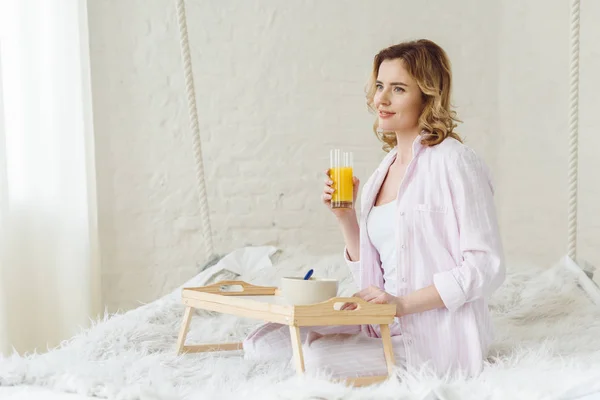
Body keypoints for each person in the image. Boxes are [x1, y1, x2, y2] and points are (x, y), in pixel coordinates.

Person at [243, 39, 505, 379]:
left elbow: (487, 266)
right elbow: (371, 275)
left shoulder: (455, 161)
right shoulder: (383, 171)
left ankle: (335, 352)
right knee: (262, 344)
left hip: (429, 339)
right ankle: (335, 345)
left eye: (398, 89)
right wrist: (346, 216)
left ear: (428, 95)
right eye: (380, 86)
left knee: (315, 360)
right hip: (377, 323)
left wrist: (402, 304)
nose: (381, 99)